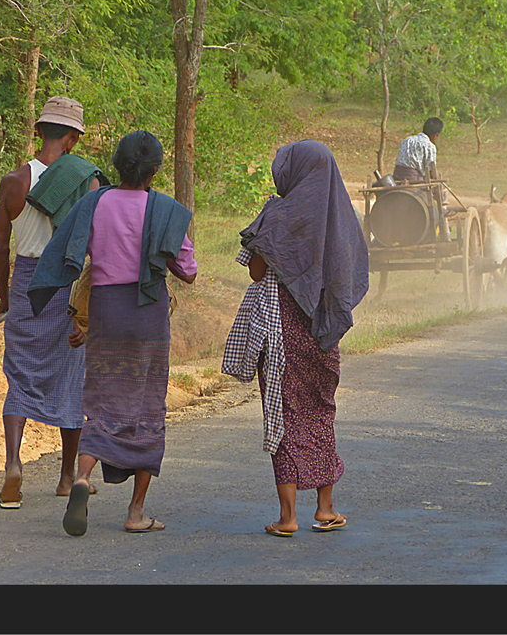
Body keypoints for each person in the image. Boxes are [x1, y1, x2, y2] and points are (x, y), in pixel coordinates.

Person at [28, 131, 197, 536]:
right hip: (147, 317)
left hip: (105, 310)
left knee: (102, 402)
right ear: (155, 170)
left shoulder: (95, 201)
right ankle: (135, 512)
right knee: (146, 405)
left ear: (116, 165)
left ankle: (83, 479)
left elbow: (67, 250)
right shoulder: (166, 210)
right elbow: (187, 270)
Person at [222, 140, 369, 538]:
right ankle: (326, 508)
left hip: (281, 334)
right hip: (323, 333)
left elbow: (255, 272)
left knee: (284, 414)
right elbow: (349, 277)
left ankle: (287, 518)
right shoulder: (343, 218)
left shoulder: (278, 214)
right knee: (321, 412)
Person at [0, 96, 104, 509]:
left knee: (20, 374)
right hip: (67, 285)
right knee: (71, 377)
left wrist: (6, 298)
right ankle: (66, 476)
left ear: (39, 132)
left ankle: (12, 465)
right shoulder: (87, 181)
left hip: (26, 283)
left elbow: (0, 246)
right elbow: (94, 246)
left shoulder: (13, 182)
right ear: (73, 138)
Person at [392, 117, 443, 184]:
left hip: (396, 177)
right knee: (437, 185)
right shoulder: (430, 146)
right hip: (413, 179)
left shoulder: (407, 140)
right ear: (435, 135)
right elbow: (431, 171)